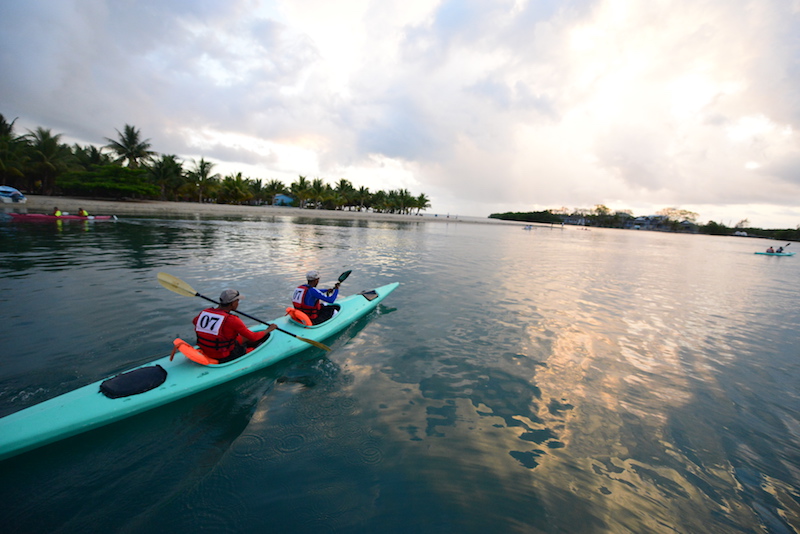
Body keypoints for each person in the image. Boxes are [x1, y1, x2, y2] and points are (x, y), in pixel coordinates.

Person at [193, 289, 277, 363]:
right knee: (254, 348)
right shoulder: (232, 319)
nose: (238, 304)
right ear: (233, 303)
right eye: (237, 301)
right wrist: (268, 330)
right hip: (224, 356)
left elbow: (194, 322)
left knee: (243, 336)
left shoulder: (205, 312)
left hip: (206, 349)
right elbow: (253, 337)